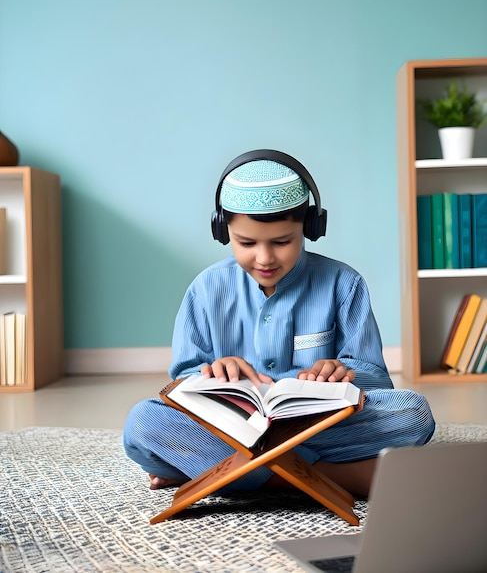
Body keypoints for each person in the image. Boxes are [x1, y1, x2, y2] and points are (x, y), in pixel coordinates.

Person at [123, 149, 435, 497]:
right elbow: (183, 382)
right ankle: (332, 478)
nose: (265, 258)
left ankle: (223, 472)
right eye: (246, 243)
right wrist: (213, 372)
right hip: (231, 425)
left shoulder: (344, 283)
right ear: (223, 231)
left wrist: (340, 370)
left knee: (414, 413)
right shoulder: (205, 289)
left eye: (282, 242)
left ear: (311, 227)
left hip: (317, 422)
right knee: (143, 422)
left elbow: (377, 378)